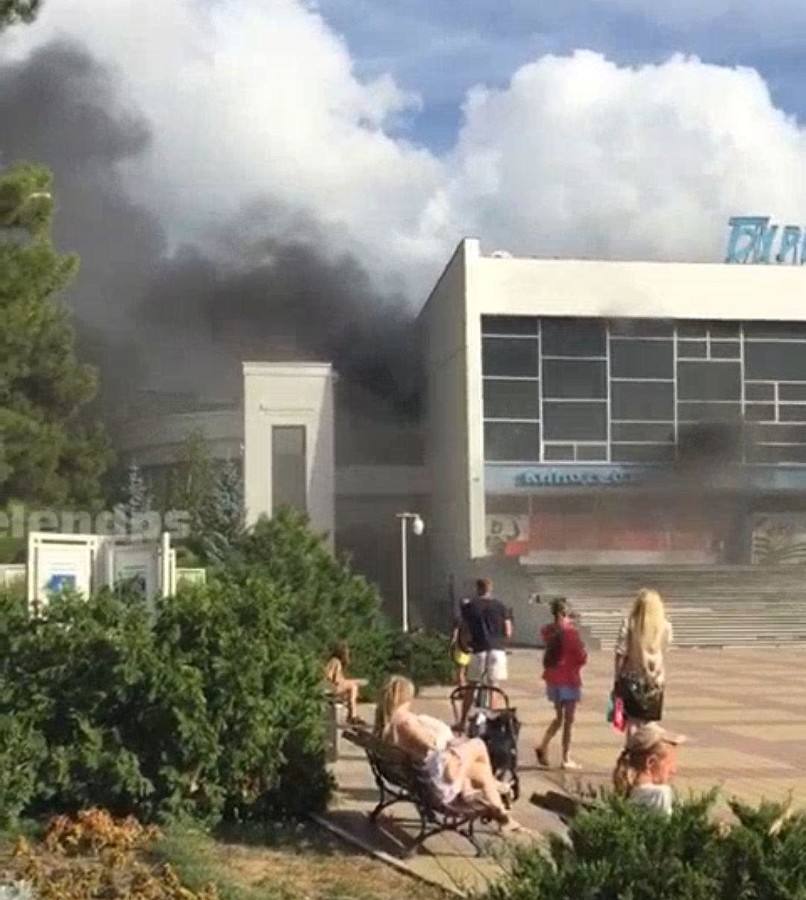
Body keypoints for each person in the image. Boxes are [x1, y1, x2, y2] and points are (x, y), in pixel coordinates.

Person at [375, 675, 524, 832]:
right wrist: (445, 739)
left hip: (423, 777)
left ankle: (505, 819)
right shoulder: (405, 722)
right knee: (478, 744)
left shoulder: (387, 722)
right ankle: (490, 787)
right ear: (405, 697)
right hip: (439, 782)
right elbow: (432, 745)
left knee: (481, 771)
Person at [535, 598, 588, 770]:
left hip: (552, 679)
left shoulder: (549, 631)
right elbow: (581, 657)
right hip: (569, 679)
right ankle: (566, 757)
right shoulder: (571, 633)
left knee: (559, 718)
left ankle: (544, 744)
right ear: (564, 614)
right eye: (568, 615)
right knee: (568, 720)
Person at [614, 588, 673, 736]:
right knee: (650, 722)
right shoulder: (665, 626)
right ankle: (647, 748)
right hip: (655, 680)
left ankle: (632, 748)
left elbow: (621, 653)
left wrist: (617, 679)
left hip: (632, 678)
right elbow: (665, 647)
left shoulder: (630, 624)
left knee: (633, 722)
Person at [612, 722, 686, 816]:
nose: (673, 771)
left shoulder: (626, 792)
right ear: (650, 762)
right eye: (670, 764)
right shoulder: (660, 794)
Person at [324, 642, 367, 726]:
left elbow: (341, 680)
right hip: (331, 688)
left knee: (353, 688)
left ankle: (352, 713)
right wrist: (357, 682)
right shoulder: (335, 662)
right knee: (353, 686)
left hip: (332, 688)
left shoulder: (335, 662)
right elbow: (331, 677)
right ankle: (352, 715)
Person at [450, 594, 473, 687]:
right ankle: (463, 686)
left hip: (461, 646)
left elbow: (455, 633)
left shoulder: (459, 619)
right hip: (470, 646)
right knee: (465, 669)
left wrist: (453, 643)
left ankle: (462, 687)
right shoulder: (472, 619)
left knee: (461, 668)